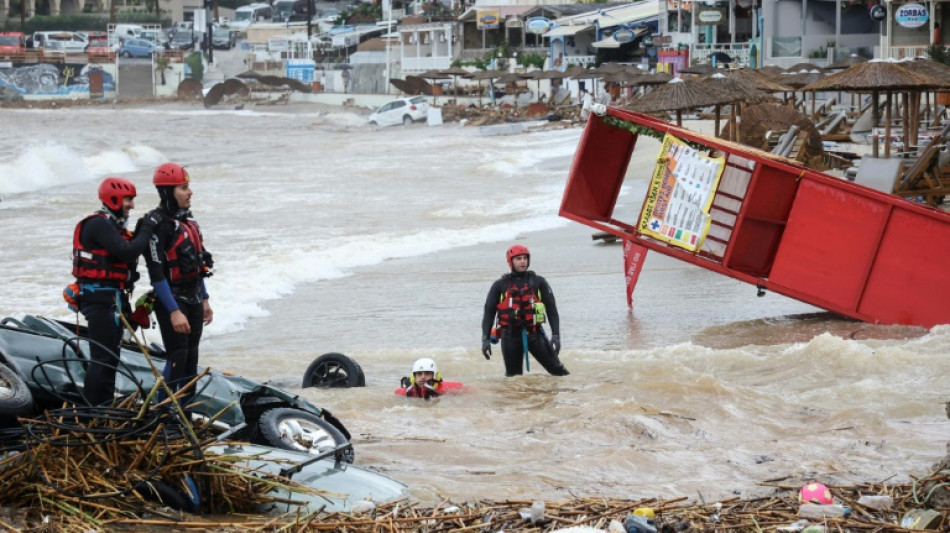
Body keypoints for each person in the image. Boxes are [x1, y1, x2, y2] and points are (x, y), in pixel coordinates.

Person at [71, 177, 162, 405]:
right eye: (128, 200)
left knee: (111, 357)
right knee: (102, 357)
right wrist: (148, 227)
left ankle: (104, 407)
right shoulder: (98, 224)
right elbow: (127, 252)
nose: (131, 205)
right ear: (113, 200)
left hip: (112, 298)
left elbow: (130, 248)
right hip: (99, 298)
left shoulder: (112, 226)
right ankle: (94, 410)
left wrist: (142, 229)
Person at [143, 163, 214, 404]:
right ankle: (162, 413)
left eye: (189, 187)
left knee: (191, 360)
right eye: (184, 188)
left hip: (193, 298)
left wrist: (204, 299)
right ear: (167, 192)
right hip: (171, 301)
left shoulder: (188, 222)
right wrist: (174, 311)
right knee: (178, 357)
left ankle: (185, 413)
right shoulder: (157, 225)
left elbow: (198, 265)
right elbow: (156, 274)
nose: (190, 192)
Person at [481, 245, 569, 377]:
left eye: (525, 258)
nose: (522, 261)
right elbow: (489, 313)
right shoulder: (499, 285)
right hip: (510, 337)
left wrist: (556, 336)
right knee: (514, 380)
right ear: (511, 261)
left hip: (534, 335)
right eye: (518, 259)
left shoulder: (539, 282)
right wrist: (485, 339)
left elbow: (552, 311)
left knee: (559, 372)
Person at [395, 358, 464, 399]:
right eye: (419, 373)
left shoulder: (446, 389)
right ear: (414, 377)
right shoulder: (403, 392)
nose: (423, 377)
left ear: (434, 375)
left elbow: (470, 390)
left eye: (427, 373)